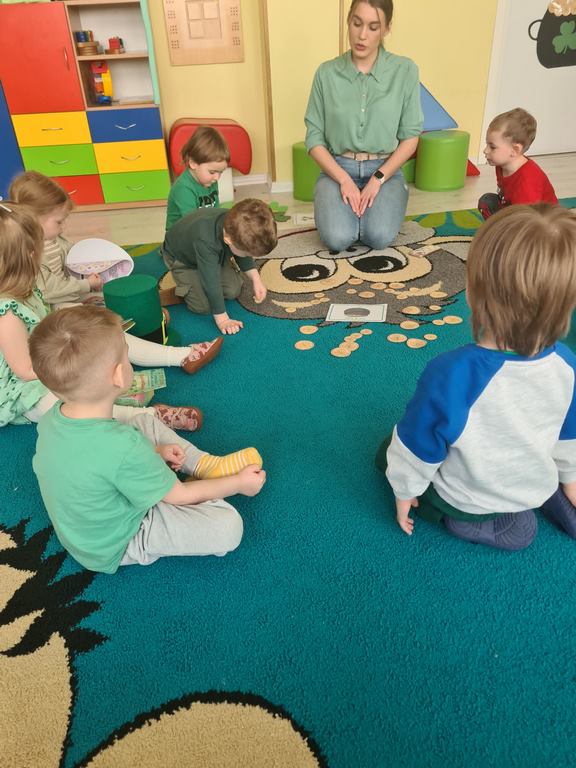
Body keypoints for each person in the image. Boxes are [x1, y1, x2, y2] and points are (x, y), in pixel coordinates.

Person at [376, 204, 576, 551]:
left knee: (386, 452)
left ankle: (470, 518)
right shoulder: (567, 364)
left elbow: (418, 445)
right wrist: (570, 478)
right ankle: (548, 492)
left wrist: (405, 491)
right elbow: (569, 431)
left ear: (473, 293)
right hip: (531, 479)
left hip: (470, 499)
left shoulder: (451, 373)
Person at [30, 305, 266, 573]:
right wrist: (238, 484)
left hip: (86, 531)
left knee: (142, 420)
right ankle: (201, 477)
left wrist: (155, 452)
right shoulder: (124, 446)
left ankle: (205, 465)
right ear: (119, 375)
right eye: (126, 352)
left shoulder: (52, 418)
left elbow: (95, 460)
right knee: (228, 526)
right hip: (120, 540)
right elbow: (178, 496)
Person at [0, 203, 201, 430]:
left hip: (49, 354)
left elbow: (43, 320)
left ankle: (180, 356)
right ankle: (149, 416)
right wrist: (78, 366)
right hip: (26, 384)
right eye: (37, 250)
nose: (42, 254)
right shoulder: (7, 313)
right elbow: (26, 371)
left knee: (102, 331)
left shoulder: (26, 285)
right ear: (23, 259)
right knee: (59, 404)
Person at [9, 171, 222, 375]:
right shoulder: (26, 255)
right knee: (105, 329)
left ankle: (143, 322)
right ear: (33, 218)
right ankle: (180, 356)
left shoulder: (53, 240)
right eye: (58, 222)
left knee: (112, 298)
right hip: (53, 310)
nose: (63, 226)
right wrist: (85, 285)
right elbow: (49, 291)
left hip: (69, 294)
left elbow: (70, 258)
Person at [304, 0, 423, 253]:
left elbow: (411, 138)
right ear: (349, 21)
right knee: (337, 239)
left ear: (386, 29)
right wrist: (343, 180)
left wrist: (378, 179)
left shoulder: (405, 71)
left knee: (378, 237)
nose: (362, 35)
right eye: (357, 23)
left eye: (373, 27)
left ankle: (379, 207)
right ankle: (342, 209)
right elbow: (314, 139)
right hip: (337, 169)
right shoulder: (326, 73)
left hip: (385, 170)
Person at [162, 199, 277, 335]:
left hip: (212, 253)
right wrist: (223, 319)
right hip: (183, 259)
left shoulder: (236, 225)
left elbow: (243, 252)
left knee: (233, 291)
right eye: (248, 254)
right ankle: (184, 289)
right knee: (203, 306)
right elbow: (211, 280)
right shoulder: (206, 240)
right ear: (228, 240)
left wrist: (256, 279)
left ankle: (199, 281)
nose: (249, 256)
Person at [478, 108, 558, 219]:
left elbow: (528, 219)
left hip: (541, 221)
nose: (485, 151)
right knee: (487, 201)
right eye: (487, 144)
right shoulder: (501, 165)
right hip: (517, 209)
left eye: (492, 147)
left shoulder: (527, 181)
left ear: (514, 150)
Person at [165, 126, 230, 230]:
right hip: (182, 233)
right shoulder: (183, 189)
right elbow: (193, 224)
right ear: (193, 163)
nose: (217, 178)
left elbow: (216, 210)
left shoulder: (210, 180)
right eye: (212, 172)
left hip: (201, 226)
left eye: (220, 172)